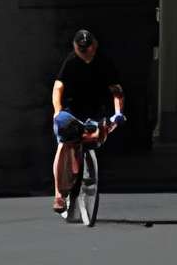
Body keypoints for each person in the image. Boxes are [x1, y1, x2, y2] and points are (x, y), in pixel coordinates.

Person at [50, 28, 124, 212]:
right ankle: (59, 195)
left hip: (95, 111)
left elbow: (116, 90)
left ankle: (86, 167)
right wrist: (57, 111)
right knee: (63, 143)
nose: (84, 52)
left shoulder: (104, 62)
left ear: (94, 46)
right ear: (75, 47)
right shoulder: (71, 62)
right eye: (80, 49)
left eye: (87, 48)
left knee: (98, 134)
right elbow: (58, 87)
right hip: (71, 111)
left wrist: (118, 112)